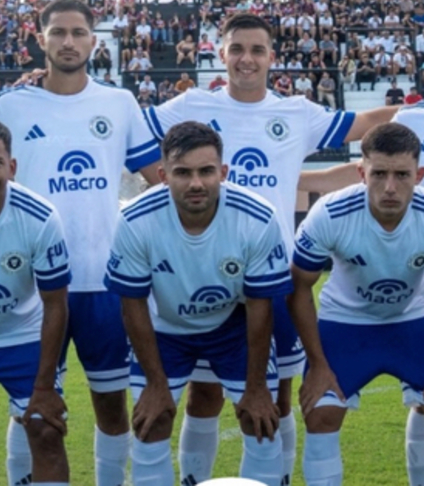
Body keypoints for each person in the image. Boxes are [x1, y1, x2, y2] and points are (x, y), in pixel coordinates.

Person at [142, 12, 400, 486]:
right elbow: (126, 128)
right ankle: (193, 480)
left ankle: (274, 478)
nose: (247, 59)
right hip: (204, 273)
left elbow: (364, 123)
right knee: (204, 395)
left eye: (257, 50)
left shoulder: (296, 112)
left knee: (277, 397)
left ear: (271, 56)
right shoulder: (191, 105)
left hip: (274, 276)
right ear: (222, 54)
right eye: (237, 49)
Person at [0, 0, 161, 486]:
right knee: (30, 409)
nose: (68, 42)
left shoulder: (119, 104)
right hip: (30, 290)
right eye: (58, 32)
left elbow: (159, 178)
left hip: (102, 281)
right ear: (40, 39)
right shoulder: (10, 105)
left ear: (94, 41)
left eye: (77, 33)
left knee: (111, 404)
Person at [104, 122, 292, 486]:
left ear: (223, 172)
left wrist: (256, 388)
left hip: (233, 326)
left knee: (260, 421)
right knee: (151, 421)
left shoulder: (257, 216)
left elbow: (260, 306)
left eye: (206, 171)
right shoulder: (135, 219)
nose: (196, 183)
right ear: (163, 175)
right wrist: (155, 384)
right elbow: (133, 304)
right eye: (183, 173)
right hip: (164, 330)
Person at [288, 123, 424, 486]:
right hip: (345, 322)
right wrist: (318, 365)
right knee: (321, 413)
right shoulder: (330, 213)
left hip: (413, 320)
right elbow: (298, 288)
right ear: (362, 173)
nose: (390, 187)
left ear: (419, 174)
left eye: (402, 175)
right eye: (379, 174)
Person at [0, 122, 72, 486]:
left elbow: (56, 304)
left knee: (46, 429)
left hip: (21, 332)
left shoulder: (39, 217)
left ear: (11, 167)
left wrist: (44, 388)